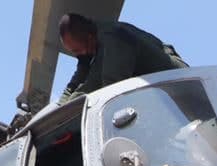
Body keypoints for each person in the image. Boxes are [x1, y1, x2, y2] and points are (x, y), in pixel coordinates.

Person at [57, 13, 188, 105]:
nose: (79, 54)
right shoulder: (89, 46)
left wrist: (63, 115)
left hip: (180, 86)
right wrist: (59, 106)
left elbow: (103, 86)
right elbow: (76, 81)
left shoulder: (113, 38)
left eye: (77, 50)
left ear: (89, 38)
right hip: (160, 95)